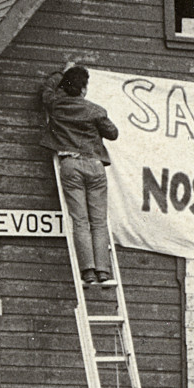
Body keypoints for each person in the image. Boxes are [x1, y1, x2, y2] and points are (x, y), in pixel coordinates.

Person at [40, 64, 119, 287]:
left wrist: (60, 74)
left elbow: (46, 91)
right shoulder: (95, 110)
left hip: (71, 164)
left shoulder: (56, 105)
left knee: (80, 220)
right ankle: (103, 270)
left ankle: (88, 271)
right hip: (94, 166)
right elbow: (113, 133)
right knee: (99, 221)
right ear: (84, 89)